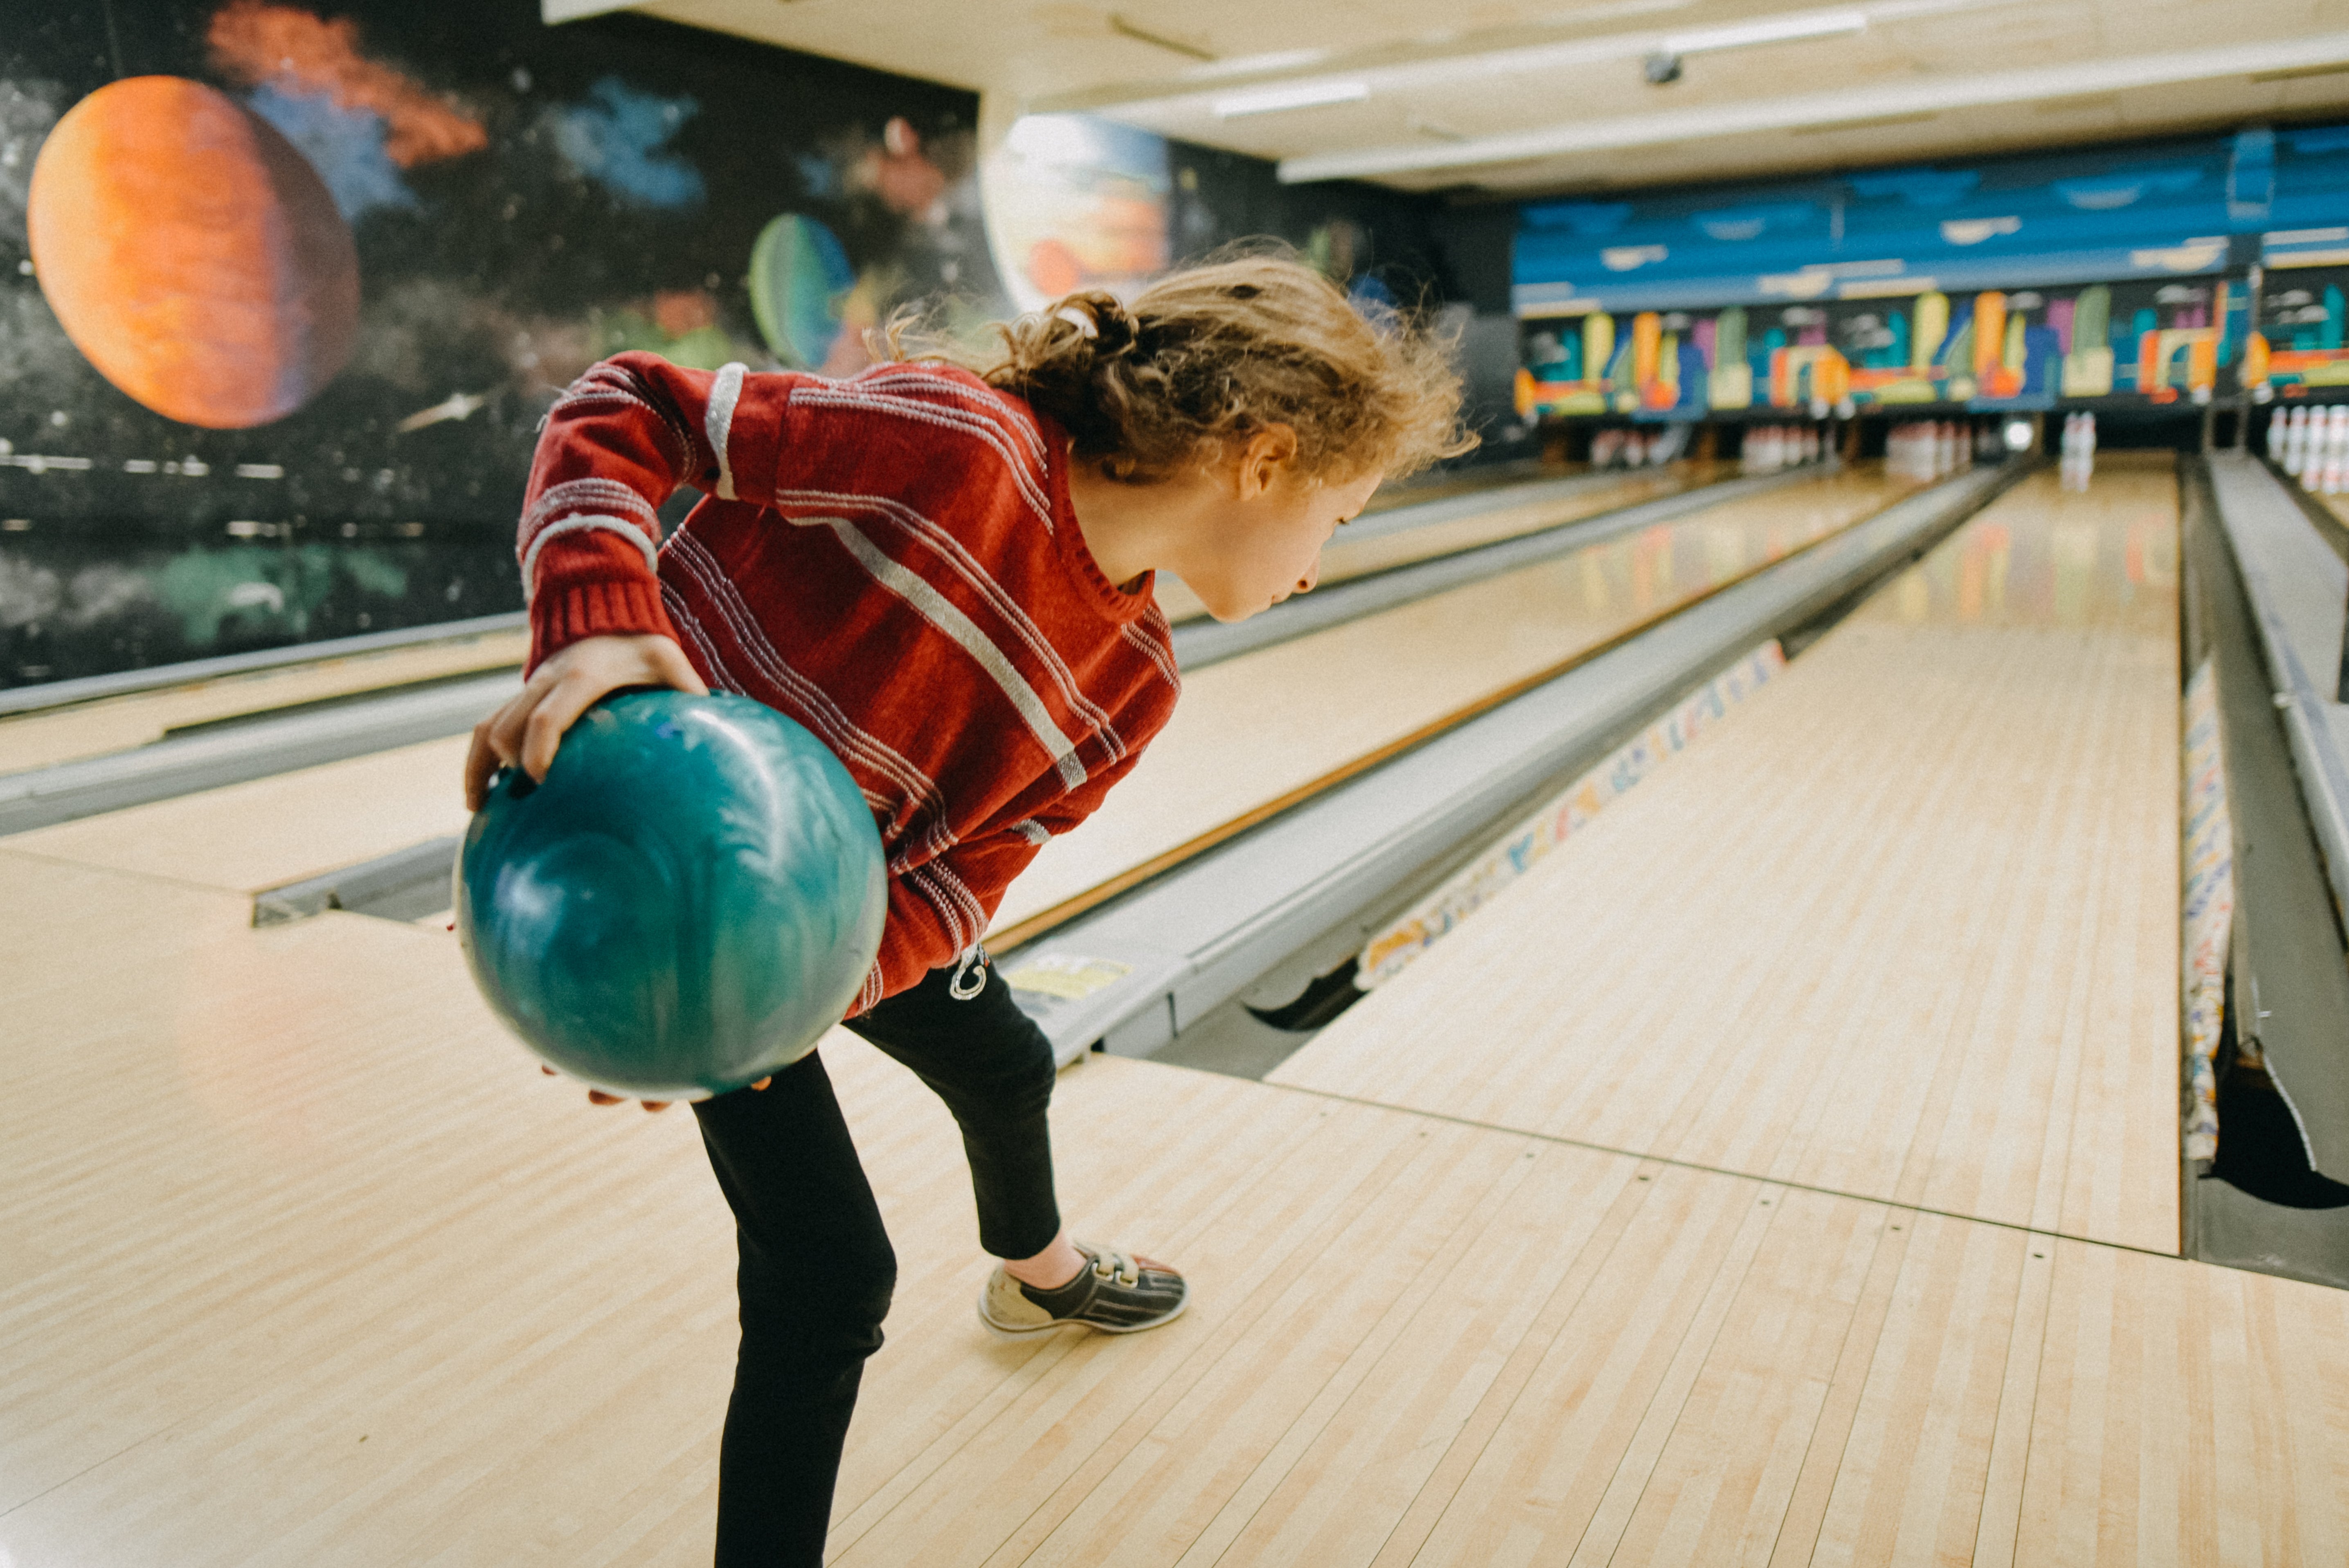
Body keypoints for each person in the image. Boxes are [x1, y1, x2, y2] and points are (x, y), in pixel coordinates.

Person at [461, 250, 1470, 1565]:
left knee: (1010, 1057)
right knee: (832, 1277)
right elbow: (623, 408)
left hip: (819, 917)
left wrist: (817, 982)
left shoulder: (1136, 681)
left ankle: (1036, 1272)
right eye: (1341, 519)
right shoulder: (961, 447)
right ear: (1265, 459)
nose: (1320, 566)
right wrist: (593, 624)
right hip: (665, 869)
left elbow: (960, 881)